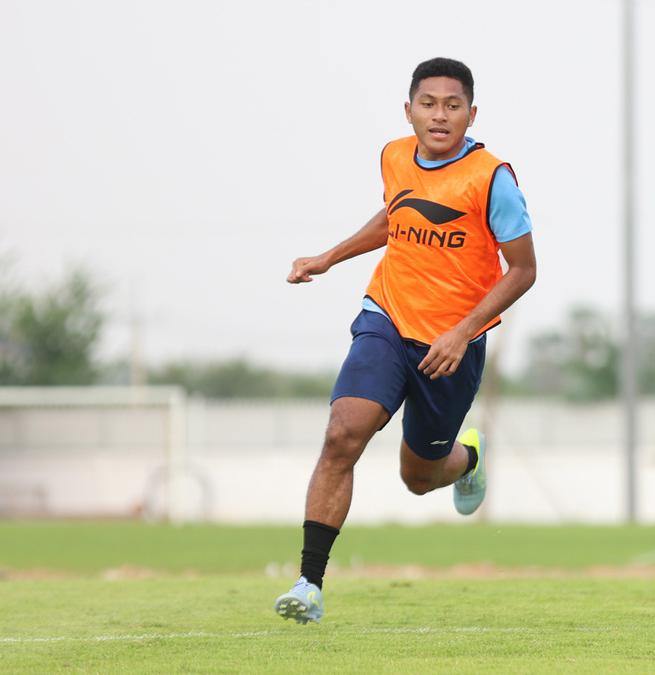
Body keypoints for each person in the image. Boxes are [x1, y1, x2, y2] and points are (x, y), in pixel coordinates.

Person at [273, 57, 538, 624]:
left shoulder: (493, 178)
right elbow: (396, 216)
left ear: (471, 113)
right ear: (409, 109)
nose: (439, 116)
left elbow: (522, 271)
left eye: (452, 105)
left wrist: (463, 331)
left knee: (418, 479)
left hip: (452, 348)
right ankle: (309, 583)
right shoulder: (394, 155)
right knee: (345, 431)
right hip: (387, 319)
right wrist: (328, 257)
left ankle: (466, 460)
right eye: (428, 103)